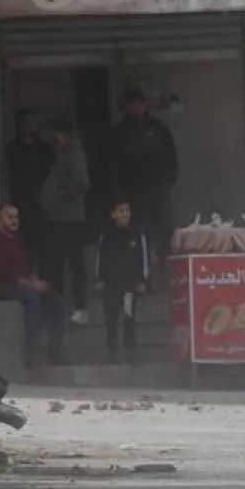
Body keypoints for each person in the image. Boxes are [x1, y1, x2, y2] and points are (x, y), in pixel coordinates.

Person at [0, 204, 65, 369]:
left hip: (19, 283)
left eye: (16, 217)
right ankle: (31, 354)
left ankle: (54, 354)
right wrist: (31, 284)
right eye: (9, 217)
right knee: (31, 296)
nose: (14, 221)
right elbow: (3, 273)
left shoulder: (17, 239)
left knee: (54, 298)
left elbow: (24, 269)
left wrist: (37, 281)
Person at [112, 88, 178, 280]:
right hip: (132, 194)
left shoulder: (158, 129)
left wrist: (167, 184)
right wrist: (119, 190)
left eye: (138, 103)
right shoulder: (120, 131)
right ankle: (140, 280)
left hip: (157, 192)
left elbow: (171, 159)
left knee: (163, 237)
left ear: (143, 104)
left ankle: (168, 279)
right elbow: (113, 162)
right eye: (131, 104)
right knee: (136, 238)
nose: (136, 107)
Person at [40, 116, 91, 326]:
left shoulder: (74, 153)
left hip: (68, 219)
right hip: (57, 217)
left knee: (74, 263)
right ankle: (59, 305)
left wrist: (59, 196)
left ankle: (80, 307)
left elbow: (81, 183)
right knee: (56, 263)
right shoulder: (62, 154)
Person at [96, 199, 149, 364]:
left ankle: (130, 351)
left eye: (127, 210)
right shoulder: (106, 236)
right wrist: (100, 278)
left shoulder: (137, 234)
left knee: (129, 317)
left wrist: (142, 279)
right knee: (110, 319)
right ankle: (112, 351)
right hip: (111, 285)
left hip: (129, 285)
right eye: (121, 211)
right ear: (113, 214)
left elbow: (143, 258)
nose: (125, 214)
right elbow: (101, 259)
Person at [4, 109, 55, 267]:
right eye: (24, 122)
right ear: (18, 125)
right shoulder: (11, 149)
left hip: (44, 204)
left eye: (31, 121)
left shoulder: (45, 149)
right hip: (21, 205)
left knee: (46, 248)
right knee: (24, 248)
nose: (28, 125)